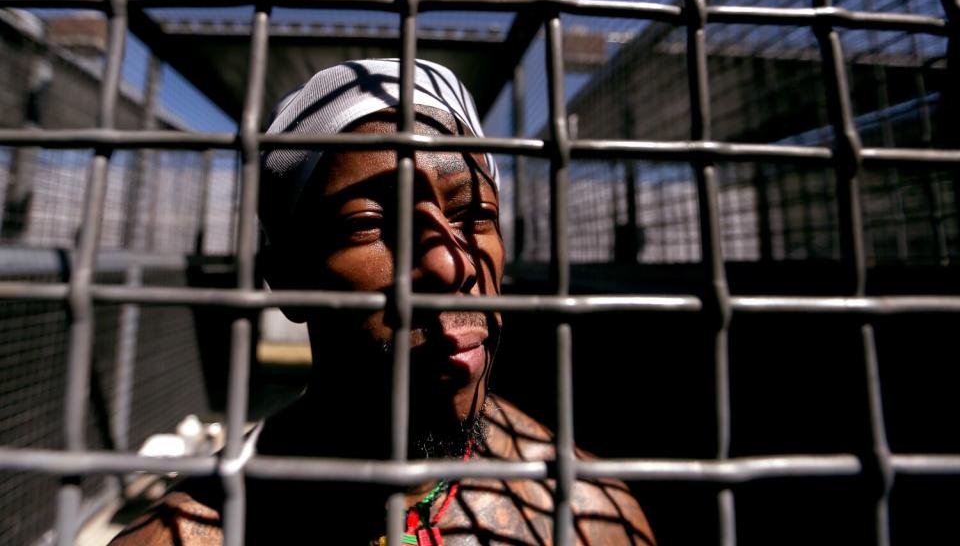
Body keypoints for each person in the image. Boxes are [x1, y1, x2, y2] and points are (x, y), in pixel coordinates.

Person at [111, 59, 654, 545]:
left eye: (475, 217)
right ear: (286, 278)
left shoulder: (587, 512)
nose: (450, 263)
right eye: (369, 224)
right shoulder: (185, 536)